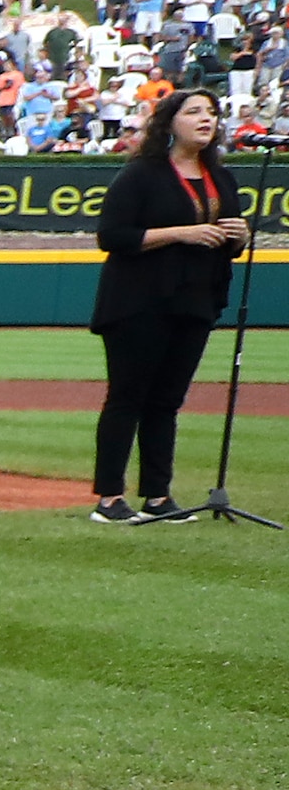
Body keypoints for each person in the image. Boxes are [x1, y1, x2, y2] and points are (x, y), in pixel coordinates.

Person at [88, 81, 247, 524]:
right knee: (127, 398)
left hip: (196, 300)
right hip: (139, 301)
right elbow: (113, 236)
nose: (206, 119)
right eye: (194, 111)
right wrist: (181, 233)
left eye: (212, 113)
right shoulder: (142, 174)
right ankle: (109, 498)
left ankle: (158, 496)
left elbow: (228, 242)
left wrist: (240, 237)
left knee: (166, 402)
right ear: (170, 123)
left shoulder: (221, 177)